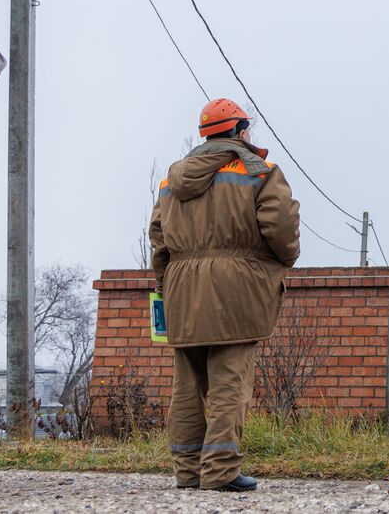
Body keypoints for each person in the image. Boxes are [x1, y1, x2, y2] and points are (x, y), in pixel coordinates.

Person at [149, 97, 301, 492]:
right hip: (236, 290)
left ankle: (188, 472)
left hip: (182, 290)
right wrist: (272, 265)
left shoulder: (170, 180)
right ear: (239, 131)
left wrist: (168, 283)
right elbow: (282, 232)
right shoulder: (259, 171)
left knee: (187, 385)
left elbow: (159, 241)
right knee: (230, 383)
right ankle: (220, 471)